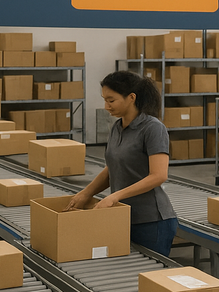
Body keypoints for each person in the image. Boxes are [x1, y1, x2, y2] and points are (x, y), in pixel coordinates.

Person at [69, 71, 178, 256]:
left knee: (149, 277)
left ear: (131, 98)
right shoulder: (117, 128)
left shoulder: (153, 128)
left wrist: (113, 197)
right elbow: (112, 168)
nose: (106, 106)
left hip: (151, 220)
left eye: (111, 100)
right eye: (104, 100)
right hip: (122, 216)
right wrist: (85, 193)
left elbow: (159, 175)